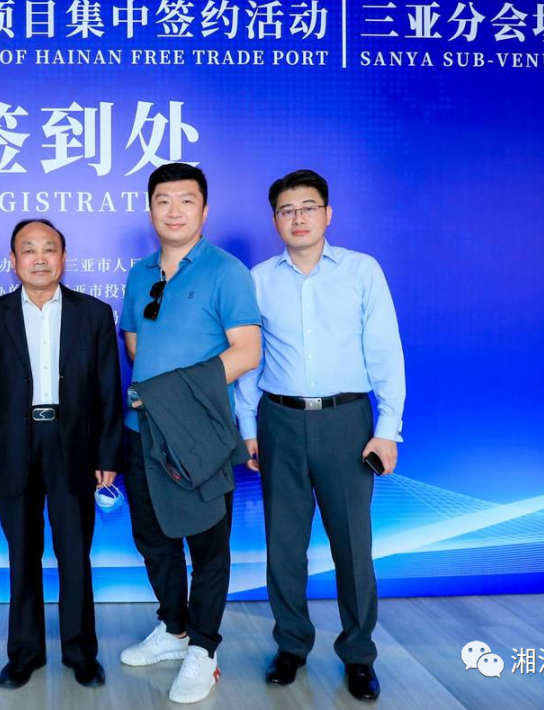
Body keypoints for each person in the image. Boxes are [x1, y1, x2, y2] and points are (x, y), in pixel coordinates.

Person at [235, 169, 405, 701]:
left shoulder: (361, 271)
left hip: (346, 422)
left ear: (327, 214)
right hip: (279, 421)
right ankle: (291, 645)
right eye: (287, 210)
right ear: (275, 221)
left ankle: (358, 655)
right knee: (283, 544)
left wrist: (388, 430)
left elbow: (386, 352)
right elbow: (250, 362)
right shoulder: (259, 279)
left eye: (308, 207)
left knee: (353, 545)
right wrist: (248, 428)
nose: (299, 218)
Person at [119, 163, 261, 704]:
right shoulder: (139, 274)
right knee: (153, 539)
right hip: (140, 430)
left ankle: (204, 649)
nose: (173, 210)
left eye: (186, 200)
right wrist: (157, 397)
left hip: (199, 434)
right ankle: (174, 630)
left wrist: (173, 393)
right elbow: (134, 342)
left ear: (204, 209)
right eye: (163, 200)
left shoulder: (227, 271)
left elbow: (246, 352)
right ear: (150, 209)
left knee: (207, 544)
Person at [0, 219, 122, 690]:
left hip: (73, 445)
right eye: (28, 249)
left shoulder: (93, 314)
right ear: (13, 261)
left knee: (75, 554)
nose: (39, 258)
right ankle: (24, 654)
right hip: (12, 446)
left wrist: (108, 453)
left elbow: (108, 390)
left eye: (49, 249)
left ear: (63, 257)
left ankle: (81, 654)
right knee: (22, 554)